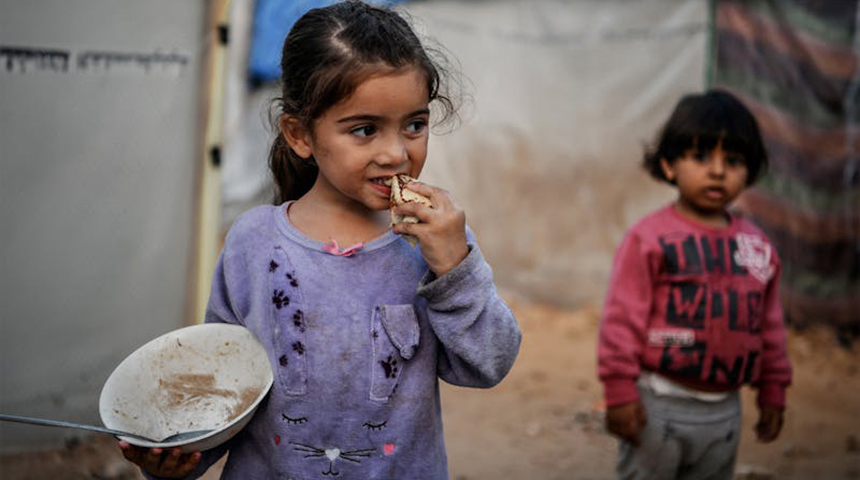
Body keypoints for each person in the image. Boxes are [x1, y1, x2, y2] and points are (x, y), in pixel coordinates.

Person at [119, 1, 521, 478]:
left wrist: (456, 270)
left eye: (414, 124)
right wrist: (177, 460)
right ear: (300, 134)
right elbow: (222, 391)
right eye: (365, 130)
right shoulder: (254, 245)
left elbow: (488, 364)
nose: (396, 153)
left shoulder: (431, 241)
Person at [597, 89, 792, 480]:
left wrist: (774, 390)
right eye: (701, 157)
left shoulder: (757, 248)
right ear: (670, 165)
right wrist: (619, 391)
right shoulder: (649, 239)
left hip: (725, 411)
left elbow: (769, 326)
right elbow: (622, 319)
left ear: (749, 170)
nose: (718, 171)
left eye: (733, 160)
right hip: (660, 404)